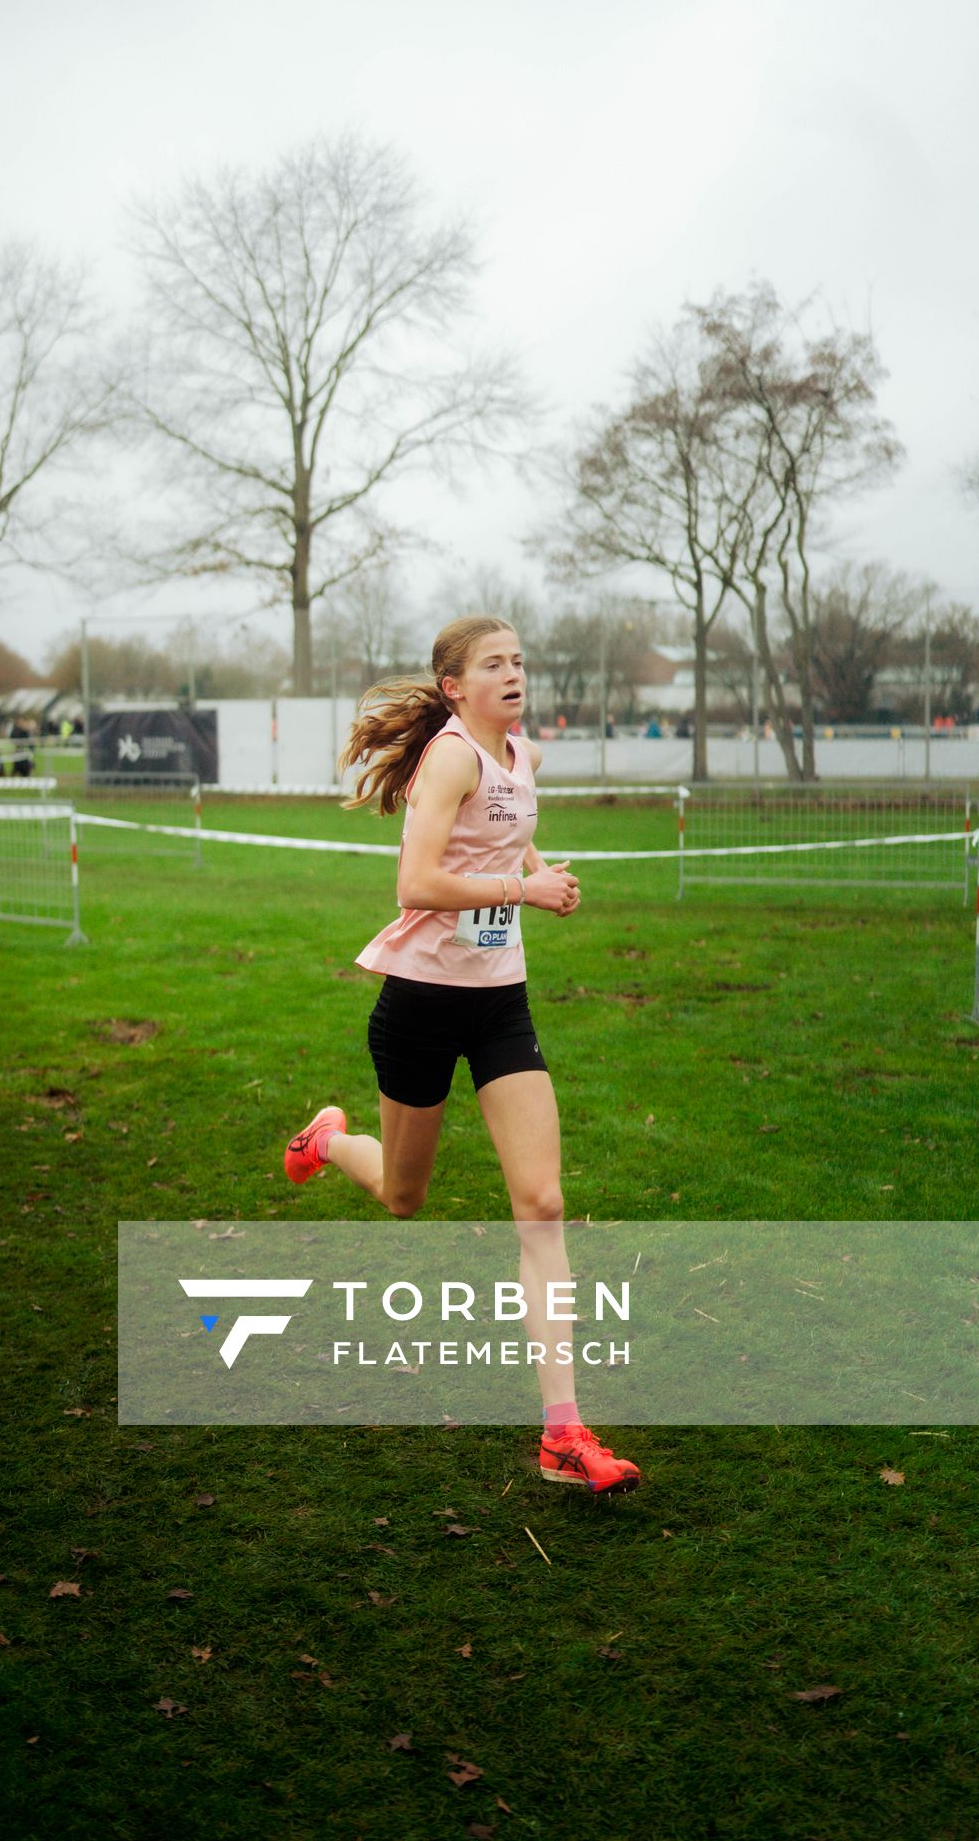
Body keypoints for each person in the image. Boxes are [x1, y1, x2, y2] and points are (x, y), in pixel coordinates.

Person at [283, 614, 641, 1496]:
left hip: (499, 1009)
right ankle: (329, 1141)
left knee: (544, 1202)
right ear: (455, 686)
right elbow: (418, 883)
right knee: (404, 1197)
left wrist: (541, 877)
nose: (514, 673)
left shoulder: (526, 757)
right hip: (418, 1007)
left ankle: (562, 1435)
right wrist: (524, 886)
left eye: (520, 659)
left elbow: (508, 838)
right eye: (495, 664)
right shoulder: (450, 757)